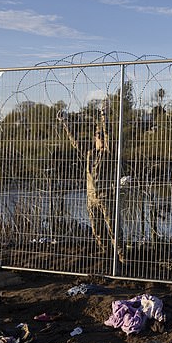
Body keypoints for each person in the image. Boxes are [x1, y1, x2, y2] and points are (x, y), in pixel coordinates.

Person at [58, 102, 125, 265]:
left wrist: (104, 116)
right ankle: (106, 256)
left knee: (113, 229)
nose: (100, 138)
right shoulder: (90, 154)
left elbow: (108, 135)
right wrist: (66, 123)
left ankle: (122, 258)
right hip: (91, 198)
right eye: (98, 135)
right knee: (98, 230)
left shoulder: (109, 154)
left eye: (102, 135)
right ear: (94, 138)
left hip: (106, 197)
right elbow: (75, 142)